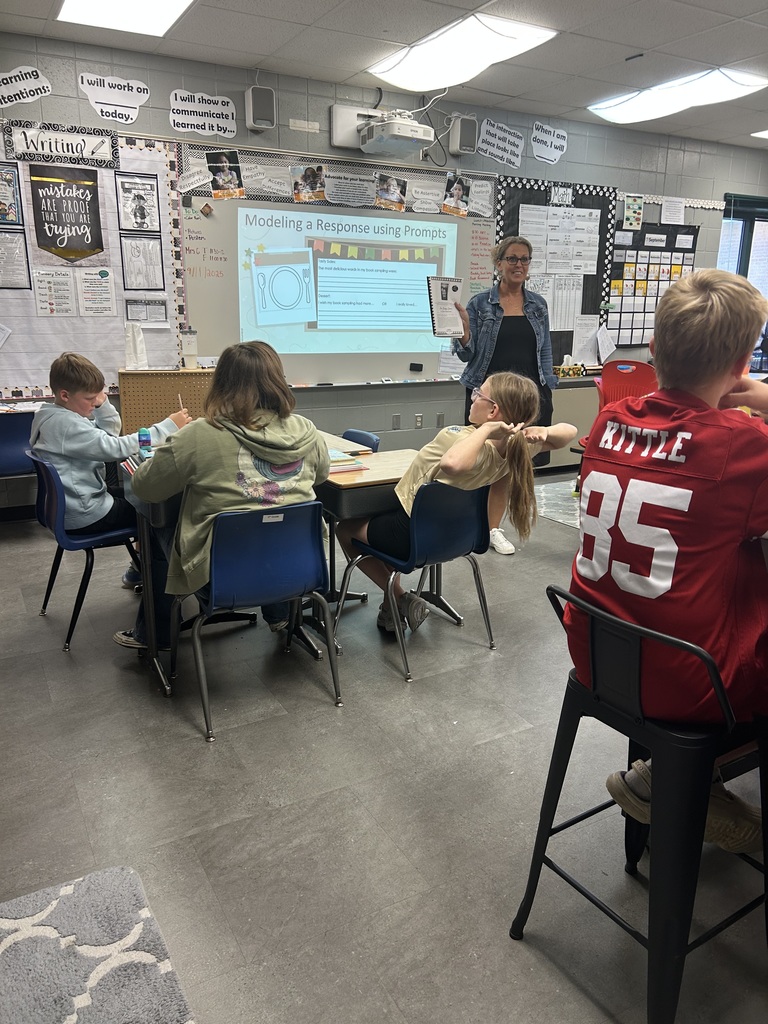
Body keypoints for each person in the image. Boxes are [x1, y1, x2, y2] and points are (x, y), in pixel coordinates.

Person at [564, 268, 768, 854]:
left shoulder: (606, 421)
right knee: (750, 577)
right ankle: (691, 776)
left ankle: (677, 775)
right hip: (686, 680)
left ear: (653, 351)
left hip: (597, 651)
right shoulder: (740, 444)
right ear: (742, 365)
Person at [113, 341, 330, 650]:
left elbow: (146, 488)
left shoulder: (199, 434)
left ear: (221, 383)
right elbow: (321, 476)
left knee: (153, 527)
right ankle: (280, 612)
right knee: (276, 518)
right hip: (301, 569)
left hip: (220, 578)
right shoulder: (307, 430)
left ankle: (154, 635)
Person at [337, 372, 577, 633]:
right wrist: (545, 431)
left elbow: (452, 464)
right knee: (382, 527)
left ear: (493, 410)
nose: (473, 398)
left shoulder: (460, 439)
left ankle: (399, 596)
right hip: (455, 539)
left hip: (411, 536)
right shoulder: (516, 448)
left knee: (345, 529)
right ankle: (391, 611)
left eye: (478, 394)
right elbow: (570, 432)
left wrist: (485, 430)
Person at [453, 235, 558, 556]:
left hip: (526, 399)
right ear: (498, 264)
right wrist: (465, 335)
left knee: (507, 468)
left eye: (524, 259)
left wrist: (548, 388)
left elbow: (545, 352)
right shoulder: (479, 304)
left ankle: (493, 528)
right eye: (512, 259)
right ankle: (467, 525)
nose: (519, 265)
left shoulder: (537, 304)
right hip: (489, 400)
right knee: (478, 463)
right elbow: (465, 353)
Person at [30, 352, 189, 536]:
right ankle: (151, 564)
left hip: (74, 505)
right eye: (90, 399)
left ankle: (143, 563)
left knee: (145, 497)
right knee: (158, 512)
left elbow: (105, 433)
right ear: (65, 395)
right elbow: (113, 447)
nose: (94, 403)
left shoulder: (53, 416)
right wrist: (168, 427)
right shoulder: (65, 425)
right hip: (86, 513)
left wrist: (102, 403)